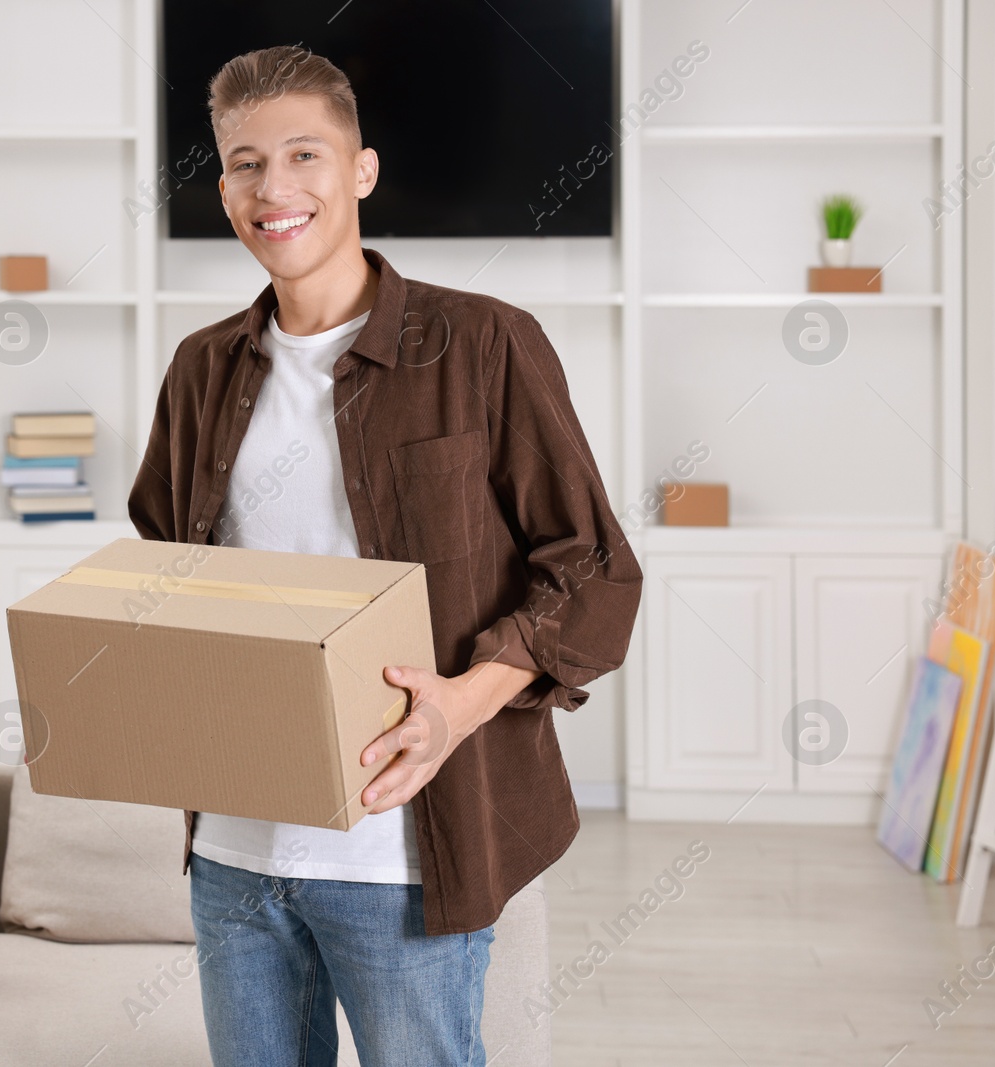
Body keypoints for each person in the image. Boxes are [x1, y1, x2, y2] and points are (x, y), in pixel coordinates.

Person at [127, 44, 643, 1067]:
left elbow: (589, 567)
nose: (273, 189)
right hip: (233, 853)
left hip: (405, 851)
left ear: (360, 169)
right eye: (243, 163)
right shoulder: (199, 371)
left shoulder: (484, 343)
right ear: (222, 185)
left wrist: (459, 701)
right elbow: (162, 565)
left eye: (303, 155)